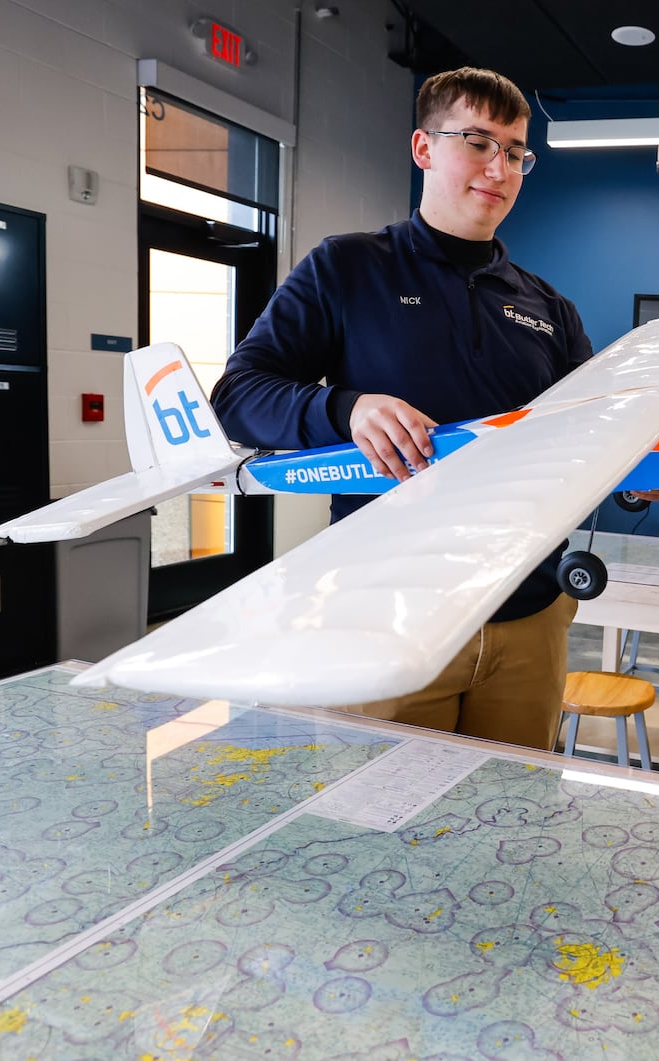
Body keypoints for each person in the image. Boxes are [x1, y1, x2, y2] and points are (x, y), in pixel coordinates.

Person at [210, 67, 597, 752]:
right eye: (477, 142)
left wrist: (641, 464)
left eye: (514, 151)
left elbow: (588, 434)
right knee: (381, 833)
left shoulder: (549, 308)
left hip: (529, 618)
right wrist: (345, 408)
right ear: (423, 148)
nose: (498, 167)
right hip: (387, 615)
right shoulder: (347, 269)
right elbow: (239, 396)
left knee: (508, 830)